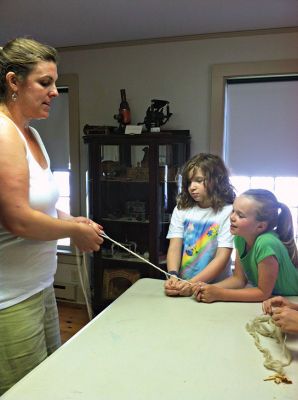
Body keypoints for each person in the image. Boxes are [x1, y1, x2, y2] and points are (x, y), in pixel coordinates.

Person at [0, 37, 103, 394]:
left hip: (40, 286)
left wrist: (70, 219)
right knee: (24, 391)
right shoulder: (3, 134)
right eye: (45, 82)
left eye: (55, 83)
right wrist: (71, 234)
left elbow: (40, 206)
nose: (55, 92)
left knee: (47, 381)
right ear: (14, 82)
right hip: (9, 300)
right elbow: (18, 220)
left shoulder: (31, 135)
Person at [194, 189, 298, 303]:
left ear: (260, 226)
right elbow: (238, 279)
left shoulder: (266, 243)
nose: (232, 217)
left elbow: (263, 293)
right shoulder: (240, 237)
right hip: (273, 298)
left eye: (240, 215)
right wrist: (206, 288)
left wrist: (219, 294)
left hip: (292, 300)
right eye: (233, 211)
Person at [164, 153, 236, 297]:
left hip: (215, 288)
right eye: (189, 182)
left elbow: (222, 257)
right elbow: (174, 246)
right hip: (184, 284)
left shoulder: (229, 212)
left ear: (216, 180)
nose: (192, 187)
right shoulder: (181, 208)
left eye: (198, 180)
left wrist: (192, 283)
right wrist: (172, 276)